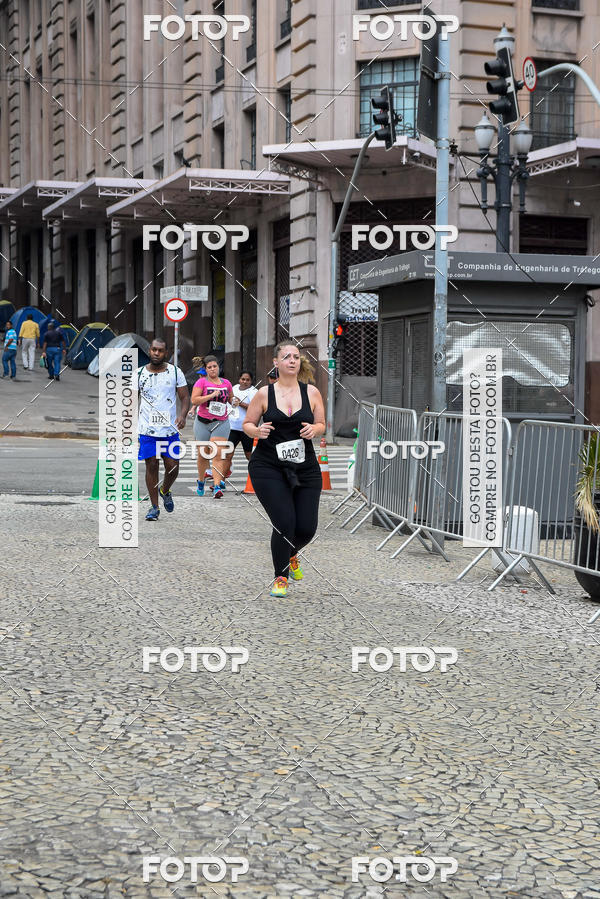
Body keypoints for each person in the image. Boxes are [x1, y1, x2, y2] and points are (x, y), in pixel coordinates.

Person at [243, 341, 326, 597]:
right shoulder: (263, 394)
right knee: (285, 523)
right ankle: (280, 577)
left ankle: (291, 554)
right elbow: (247, 423)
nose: (292, 360)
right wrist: (257, 431)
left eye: (296, 357)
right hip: (268, 466)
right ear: (276, 363)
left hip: (305, 467)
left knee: (306, 528)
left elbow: (322, 423)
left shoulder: (311, 393)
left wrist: (315, 429)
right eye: (287, 357)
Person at [136, 338, 190, 521]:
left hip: (169, 430)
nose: (156, 353)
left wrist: (182, 415)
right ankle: (154, 507)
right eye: (153, 350)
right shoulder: (139, 374)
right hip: (147, 429)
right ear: (149, 351)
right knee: (151, 465)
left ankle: (165, 490)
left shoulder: (175, 372)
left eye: (160, 350)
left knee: (173, 466)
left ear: (165, 353)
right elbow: (130, 400)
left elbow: (184, 397)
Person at [191, 355, 233, 499]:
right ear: (206, 369)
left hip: (221, 422)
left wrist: (235, 402)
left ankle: (216, 486)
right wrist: (210, 396)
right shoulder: (201, 382)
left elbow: (231, 398)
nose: (213, 369)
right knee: (203, 455)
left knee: (218, 454)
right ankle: (201, 481)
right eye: (209, 367)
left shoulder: (226, 383)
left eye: (215, 366)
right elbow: (194, 399)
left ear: (218, 367)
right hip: (203, 422)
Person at [224, 370, 258, 467]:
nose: (245, 381)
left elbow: (255, 408)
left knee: (249, 455)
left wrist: (240, 403)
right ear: (239, 379)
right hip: (232, 428)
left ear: (251, 381)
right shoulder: (234, 388)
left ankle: (254, 477)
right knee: (227, 454)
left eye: (248, 380)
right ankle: (221, 480)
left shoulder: (254, 391)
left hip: (247, 428)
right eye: (243, 379)